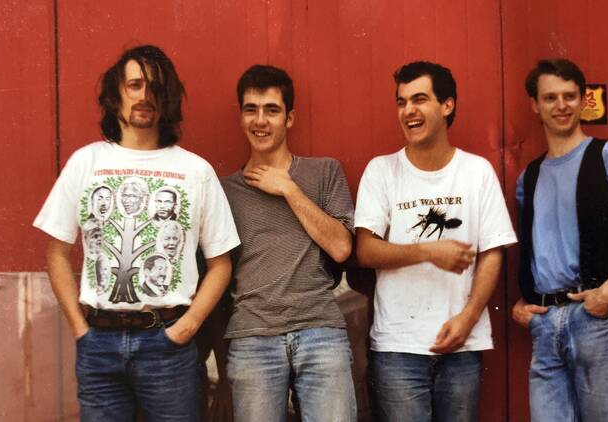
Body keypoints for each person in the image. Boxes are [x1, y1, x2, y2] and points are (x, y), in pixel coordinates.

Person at [33, 44, 240, 421]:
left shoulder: (195, 171)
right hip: (98, 343)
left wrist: (187, 327)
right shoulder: (86, 162)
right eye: (135, 85)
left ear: (169, 99)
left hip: (168, 344)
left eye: (156, 88)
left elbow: (221, 263)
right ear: (116, 96)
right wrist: (80, 329)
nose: (145, 96)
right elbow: (56, 255)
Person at [355, 61, 517, 422]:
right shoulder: (382, 171)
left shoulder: (477, 172)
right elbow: (365, 250)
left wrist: (470, 316)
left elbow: (493, 253)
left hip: (462, 344)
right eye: (401, 102)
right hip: (398, 348)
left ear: (447, 105)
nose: (408, 110)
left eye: (419, 99)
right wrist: (429, 251)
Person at [512, 58, 608, 421]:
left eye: (570, 96)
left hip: (597, 322)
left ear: (584, 101)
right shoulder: (529, 177)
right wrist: (524, 302)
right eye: (550, 98)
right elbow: (540, 248)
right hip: (545, 323)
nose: (561, 105)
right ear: (535, 105)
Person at [221, 64, 357, 421]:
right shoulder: (225, 191)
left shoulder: (324, 172)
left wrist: (288, 188)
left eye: (272, 110)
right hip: (252, 336)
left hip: (320, 330)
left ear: (290, 118)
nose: (260, 120)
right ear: (241, 116)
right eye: (251, 109)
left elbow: (342, 247)